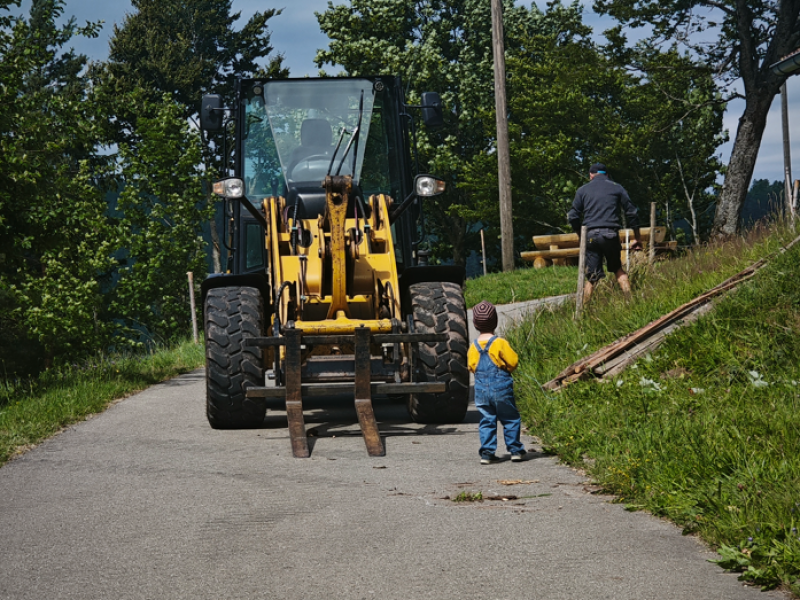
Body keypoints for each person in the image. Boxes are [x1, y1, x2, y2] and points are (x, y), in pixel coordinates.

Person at [568, 163, 640, 304]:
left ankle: (582, 312)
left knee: (592, 277)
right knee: (618, 270)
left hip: (591, 237)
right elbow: (632, 213)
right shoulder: (617, 187)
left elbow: (572, 216)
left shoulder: (582, 190)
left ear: (590, 175)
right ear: (607, 175)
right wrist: (637, 238)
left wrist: (580, 236)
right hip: (610, 234)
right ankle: (631, 303)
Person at [469, 301, 526, 464]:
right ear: (495, 321)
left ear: (474, 324)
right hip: (501, 389)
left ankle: (487, 453)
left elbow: (471, 367)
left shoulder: (473, 347)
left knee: (487, 420)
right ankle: (515, 450)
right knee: (510, 418)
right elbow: (513, 361)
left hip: (481, 391)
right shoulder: (500, 343)